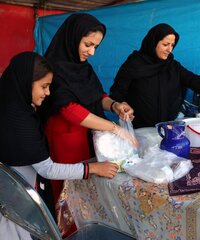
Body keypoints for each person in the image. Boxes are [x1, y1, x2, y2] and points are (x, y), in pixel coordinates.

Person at [0, 52, 120, 240]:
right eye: (44, 86)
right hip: (18, 201)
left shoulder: (11, 104)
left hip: (11, 193)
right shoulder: (20, 122)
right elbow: (47, 169)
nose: (48, 93)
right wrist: (93, 168)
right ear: (26, 82)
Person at [40, 13, 137, 217]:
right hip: (65, 141)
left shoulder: (83, 68)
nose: (92, 52)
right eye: (88, 44)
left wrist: (115, 105)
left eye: (96, 47)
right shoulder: (52, 68)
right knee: (69, 196)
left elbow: (96, 95)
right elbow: (70, 110)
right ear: (73, 37)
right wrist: (115, 128)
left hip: (88, 136)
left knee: (88, 196)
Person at [109, 23, 200, 129]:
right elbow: (117, 92)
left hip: (166, 129)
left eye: (172, 45)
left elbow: (195, 81)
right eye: (165, 44)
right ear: (153, 42)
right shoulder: (134, 64)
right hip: (139, 130)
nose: (170, 49)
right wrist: (122, 104)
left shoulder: (172, 66)